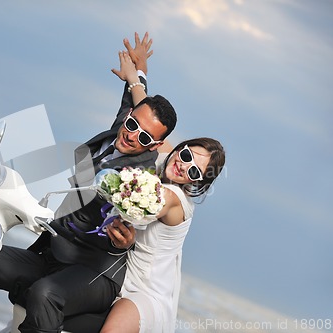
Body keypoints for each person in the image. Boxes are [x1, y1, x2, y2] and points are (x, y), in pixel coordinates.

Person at [0, 32, 178, 333]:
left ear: (155, 146)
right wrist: (138, 73)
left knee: (44, 294)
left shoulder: (140, 180)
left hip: (93, 271)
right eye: (133, 123)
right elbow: (134, 102)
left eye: (145, 136)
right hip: (53, 253)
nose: (132, 133)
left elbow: (133, 219)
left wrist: (123, 238)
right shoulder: (121, 131)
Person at [100, 52, 226, 333]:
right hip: (115, 272)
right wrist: (137, 75)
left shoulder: (173, 199)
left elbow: (141, 205)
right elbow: (146, 116)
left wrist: (103, 180)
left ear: (196, 183)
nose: (183, 165)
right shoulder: (164, 159)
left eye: (194, 171)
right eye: (186, 154)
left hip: (144, 292)